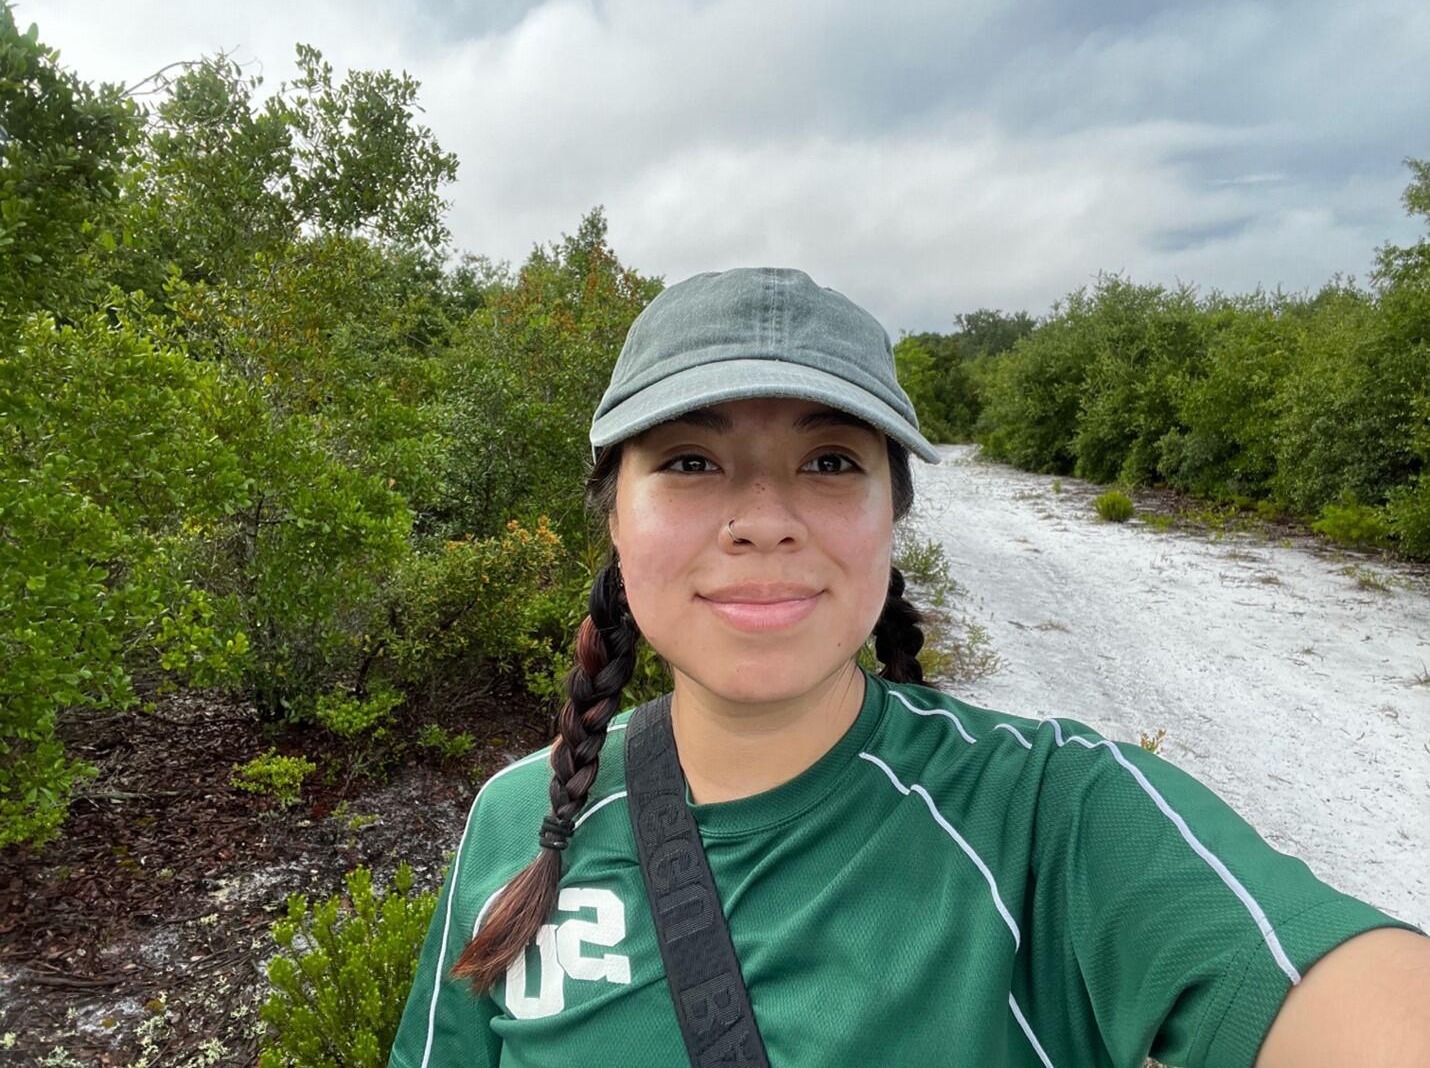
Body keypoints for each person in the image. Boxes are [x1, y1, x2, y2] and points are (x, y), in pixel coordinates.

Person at [388, 267, 1429, 1068]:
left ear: (894, 517)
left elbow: (1343, 994)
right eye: (690, 461)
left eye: (831, 461)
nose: (761, 522)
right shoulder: (515, 819)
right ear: (614, 514)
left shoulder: (1048, 812)